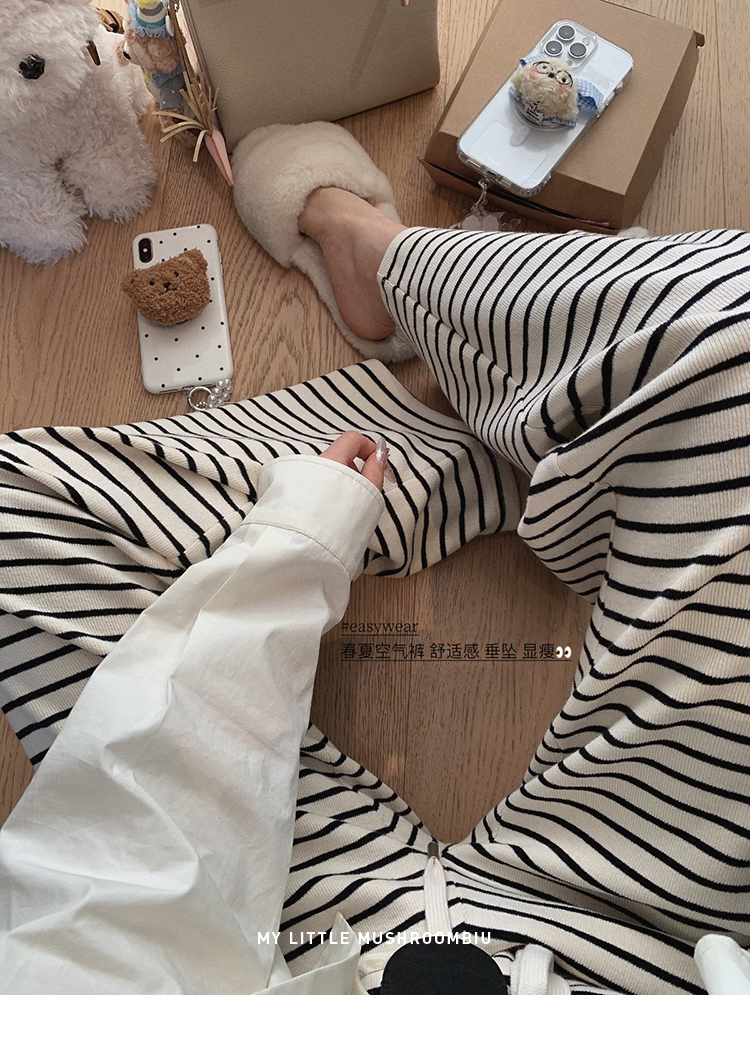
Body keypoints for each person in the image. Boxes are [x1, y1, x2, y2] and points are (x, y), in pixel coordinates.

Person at [1, 189, 750, 995]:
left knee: (22, 507)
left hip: (271, 937)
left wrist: (302, 541)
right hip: (652, 934)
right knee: (734, 323)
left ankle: (475, 399)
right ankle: (494, 389)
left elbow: (118, 893)